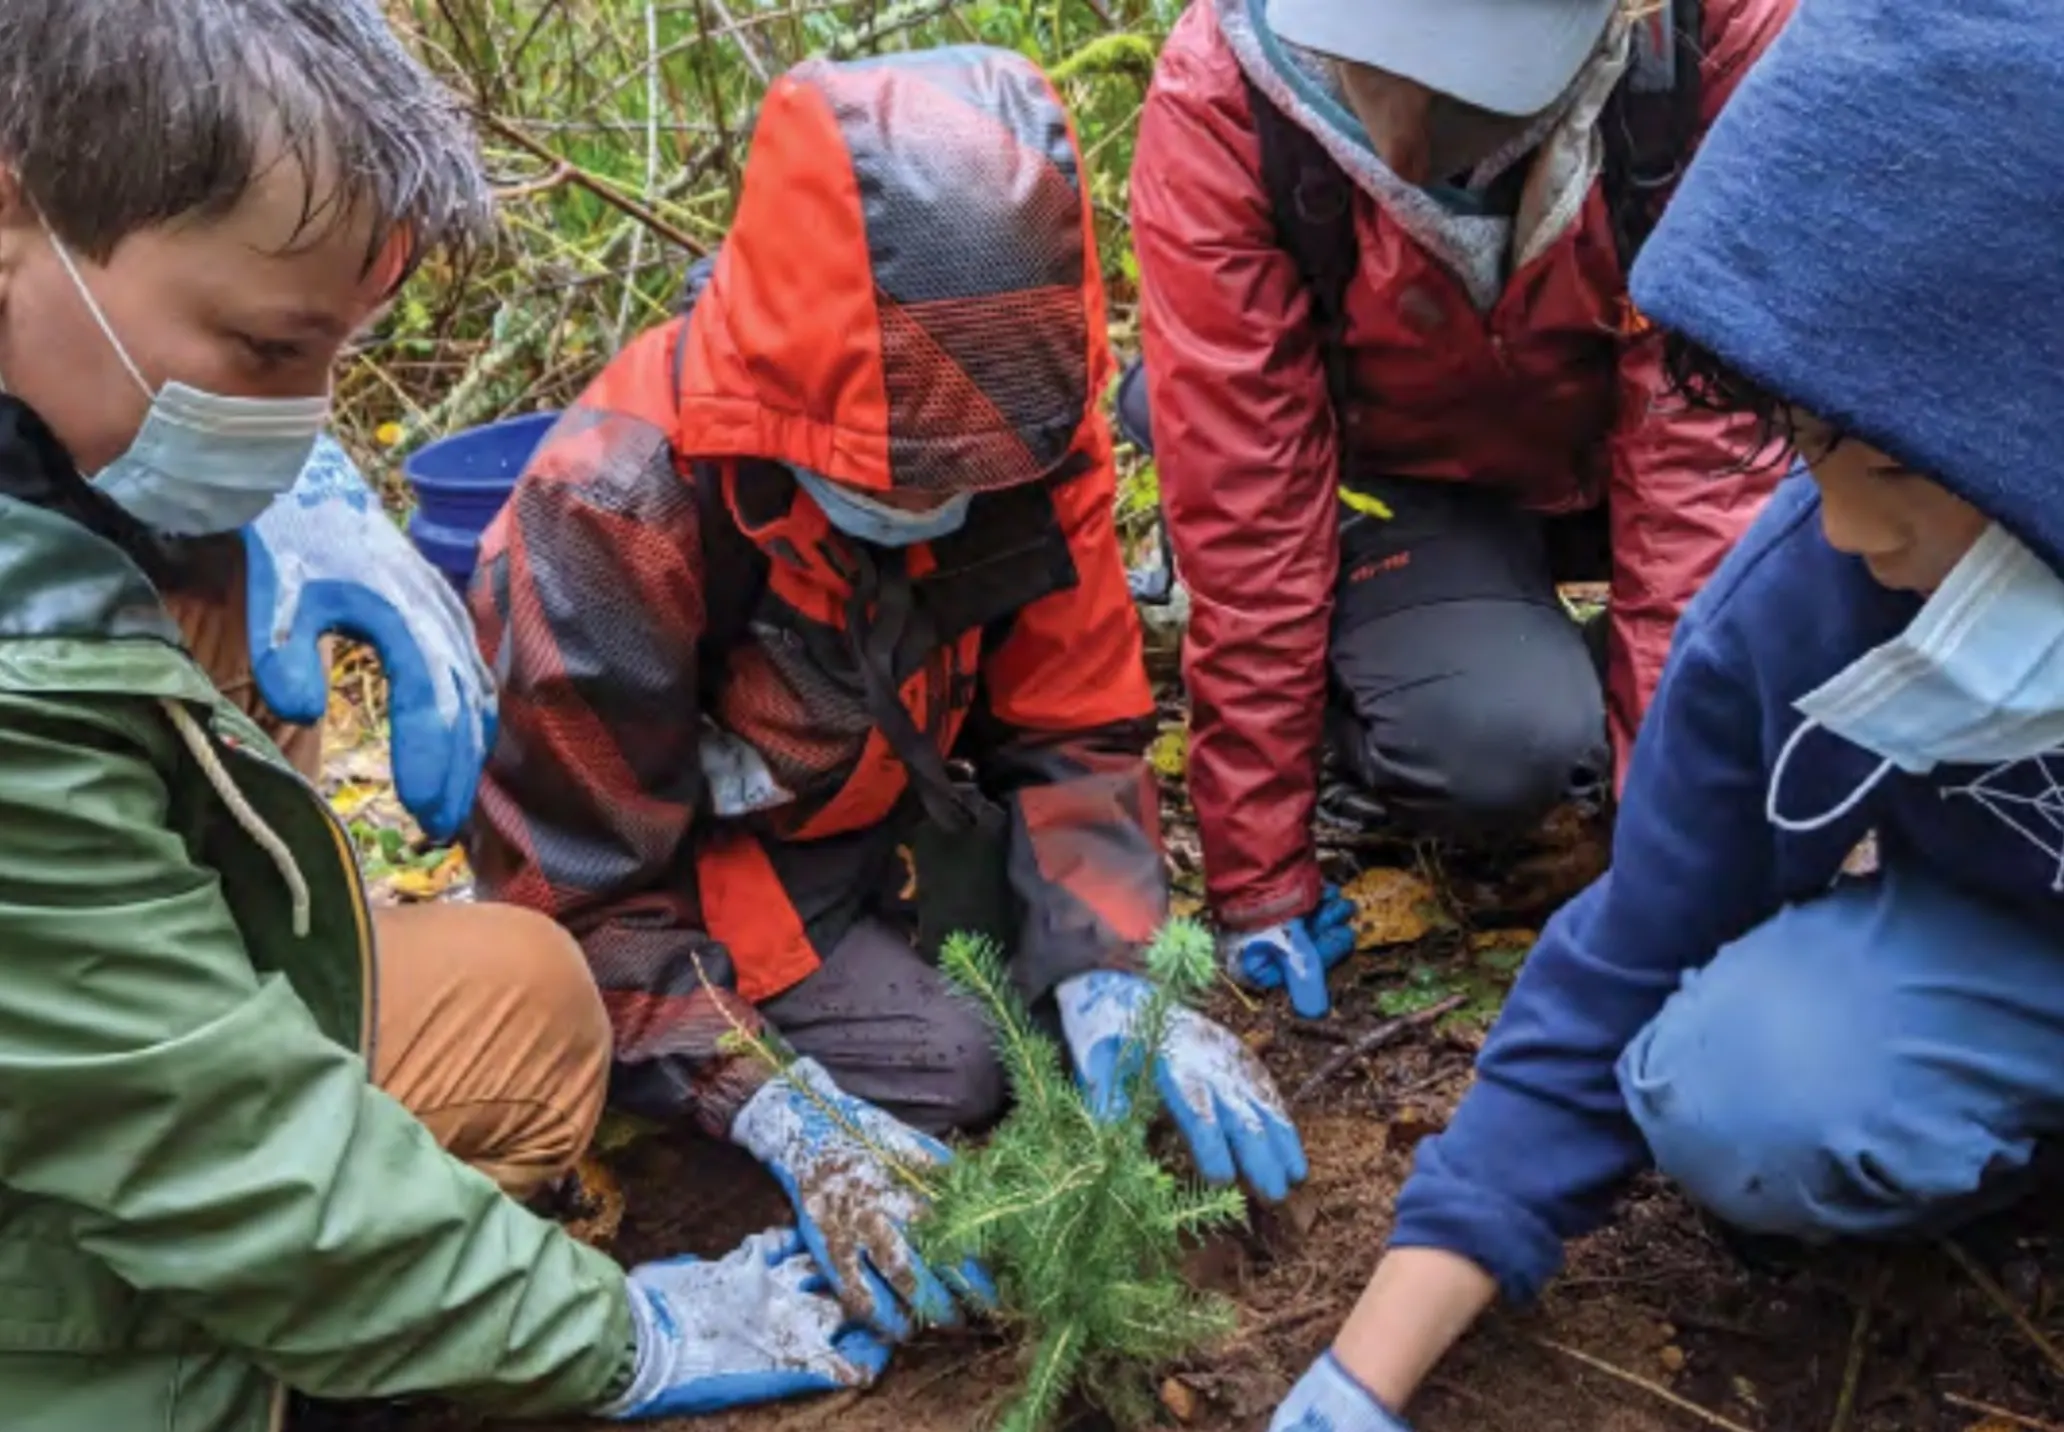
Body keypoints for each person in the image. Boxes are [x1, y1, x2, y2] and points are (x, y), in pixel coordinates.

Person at [0, 4, 898, 1426]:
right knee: (208, 1220)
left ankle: (330, 1298)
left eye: (336, 360)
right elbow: (200, 1138)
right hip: (115, 1133)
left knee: (534, 1010)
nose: (303, 421)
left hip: (105, 1046)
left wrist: (259, 510)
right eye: (265, 349)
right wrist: (609, 1338)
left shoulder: (60, 404)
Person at [1270, 1, 2064, 1427]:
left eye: (1891, 463)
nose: (1845, 526)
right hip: (2017, 952)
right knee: (1739, 1082)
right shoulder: (1806, 608)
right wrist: (1362, 1370)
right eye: (1812, 449)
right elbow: (1626, 962)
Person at [467, 43, 1310, 1343]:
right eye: (902, 473)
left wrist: (1108, 967)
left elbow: (1076, 725)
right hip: (698, 873)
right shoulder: (610, 509)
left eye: (963, 473)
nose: (939, 508)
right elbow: (567, 901)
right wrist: (778, 1107)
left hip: (895, 810)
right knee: (954, 1066)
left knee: (1047, 1021)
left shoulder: (1032, 432)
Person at [1128, 0, 1794, 1019]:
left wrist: (1668, 861)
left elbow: (1705, 459)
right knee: (1498, 742)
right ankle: (1394, 678)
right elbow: (1251, 505)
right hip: (1398, 470)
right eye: (1368, 60)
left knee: (1841, 558)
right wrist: (1258, 878)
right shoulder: (1226, 92)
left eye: (1468, 87)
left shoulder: (1710, 42)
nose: (1399, 139)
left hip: (1615, 439)